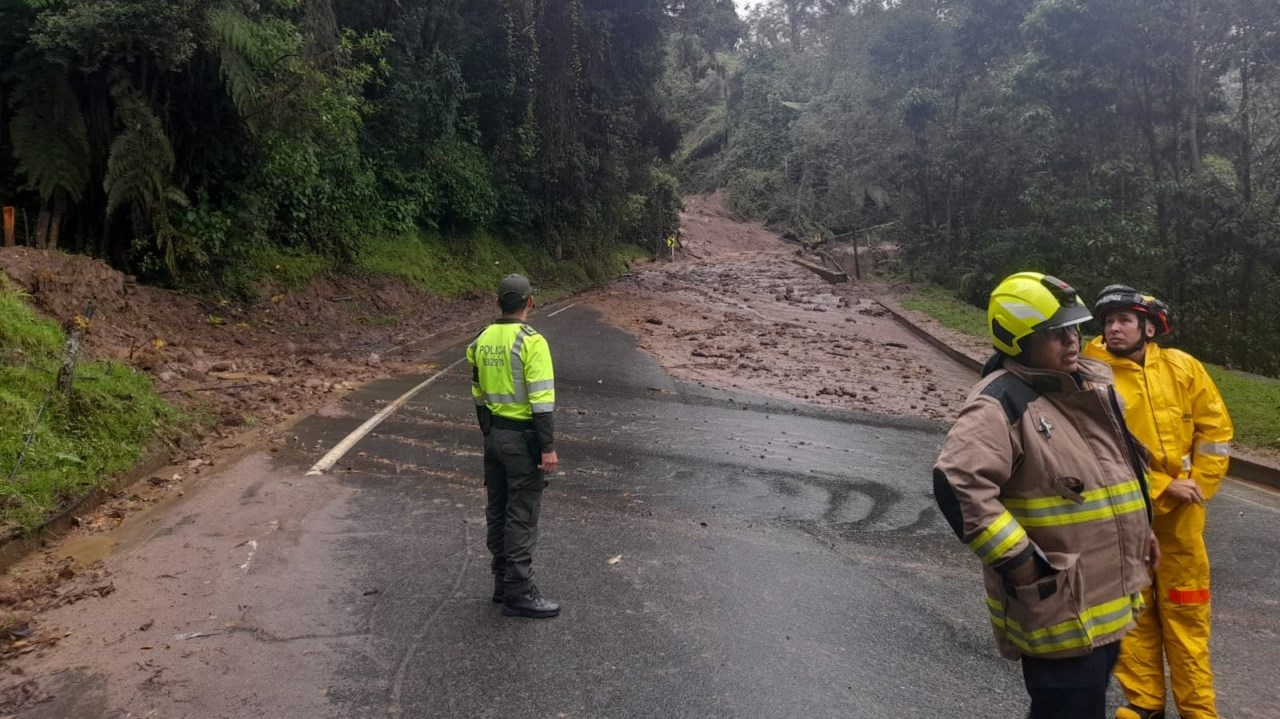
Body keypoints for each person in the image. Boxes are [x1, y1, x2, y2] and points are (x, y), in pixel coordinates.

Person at [932, 271, 1159, 719]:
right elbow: (957, 484)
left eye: (1073, 328)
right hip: (1061, 606)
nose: (1072, 342)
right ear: (1017, 342)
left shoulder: (1086, 387)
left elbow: (1122, 470)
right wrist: (1024, 565)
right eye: (1055, 334)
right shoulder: (1000, 404)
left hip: (1104, 603)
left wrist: (1143, 530)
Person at [1084, 286, 1233, 719]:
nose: (1113, 327)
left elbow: (1216, 435)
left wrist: (1198, 487)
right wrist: (1163, 486)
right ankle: (1145, 704)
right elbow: (1094, 447)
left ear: (1149, 328)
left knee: (1187, 618)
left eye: (1124, 320)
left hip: (1182, 523)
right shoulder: (1092, 374)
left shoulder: (1183, 367)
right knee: (1132, 614)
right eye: (1108, 320)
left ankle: (1198, 711)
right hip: (1124, 514)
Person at [466, 273, 561, 619]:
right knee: (521, 514)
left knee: (498, 508)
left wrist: (488, 432)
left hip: (493, 437)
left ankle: (501, 582)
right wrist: (547, 448)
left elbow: (477, 392)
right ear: (530, 303)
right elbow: (541, 402)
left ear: (498, 304)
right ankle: (518, 592)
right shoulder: (531, 342)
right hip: (522, 441)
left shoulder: (480, 340)